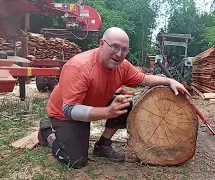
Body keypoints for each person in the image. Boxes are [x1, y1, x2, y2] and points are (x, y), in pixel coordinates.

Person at [38, 27, 191, 169]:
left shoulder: (122, 66)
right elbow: (69, 110)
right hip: (65, 114)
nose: (119, 54)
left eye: (124, 50)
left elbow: (144, 79)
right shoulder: (79, 67)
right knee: (75, 161)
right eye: (115, 47)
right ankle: (47, 133)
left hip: (91, 105)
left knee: (125, 105)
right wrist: (107, 112)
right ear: (102, 44)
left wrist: (170, 81)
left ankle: (103, 145)